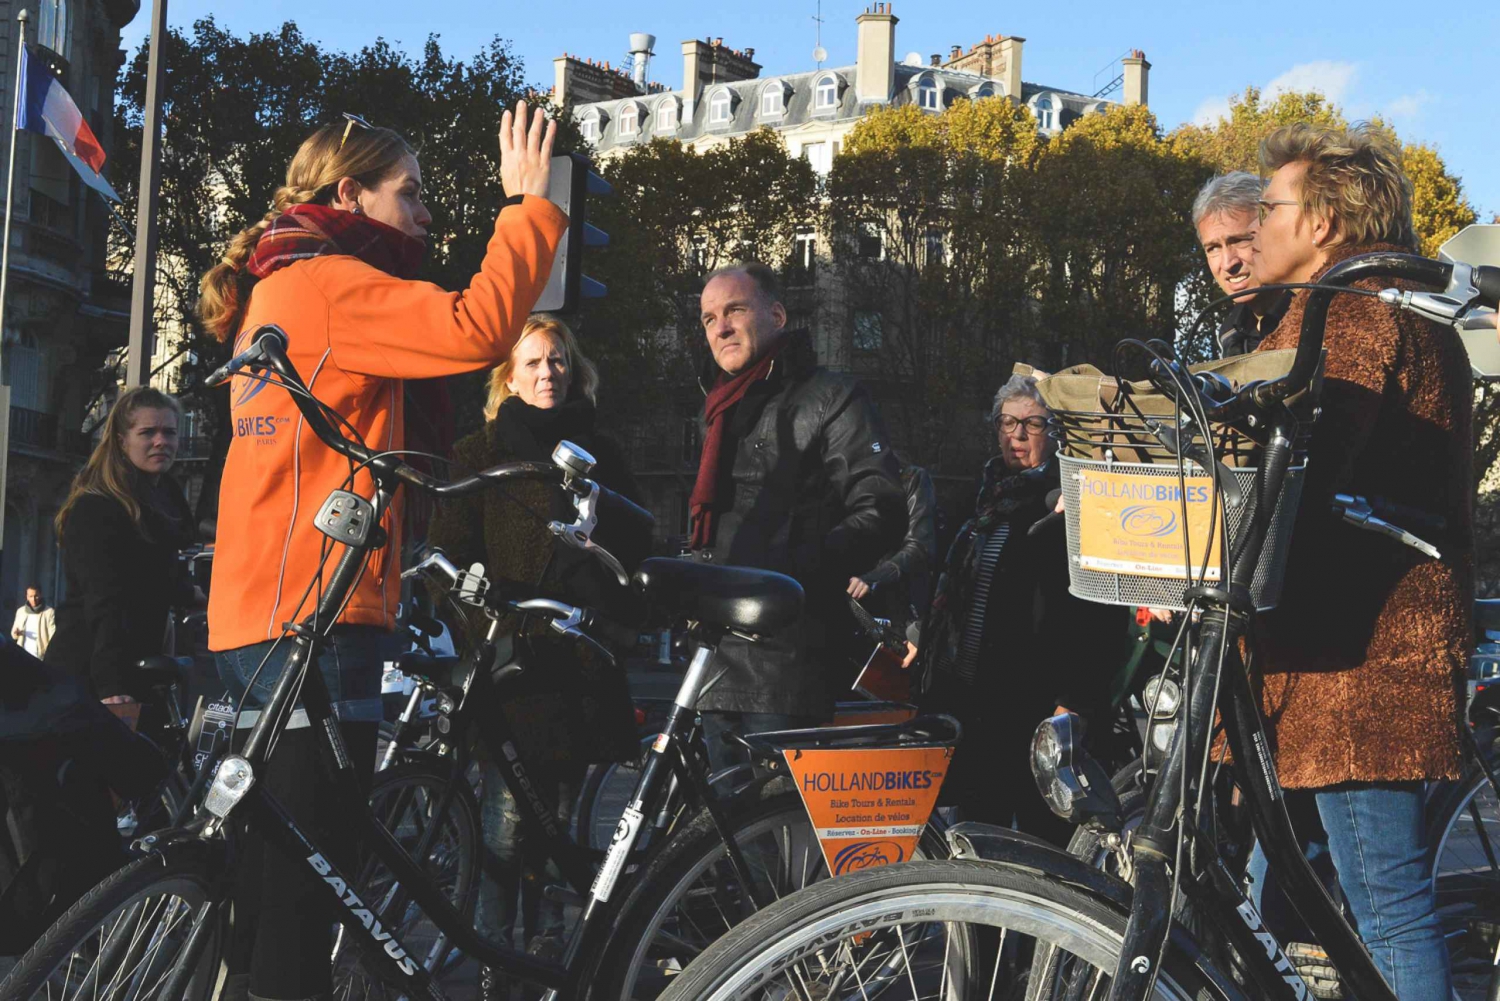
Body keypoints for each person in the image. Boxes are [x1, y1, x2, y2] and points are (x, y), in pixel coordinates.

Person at [198, 103, 565, 1001]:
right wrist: (528, 206)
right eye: (413, 194)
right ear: (349, 193)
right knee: (302, 895)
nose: (428, 214)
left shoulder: (278, 286)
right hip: (314, 614)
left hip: (265, 606)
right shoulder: (329, 281)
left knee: (270, 883)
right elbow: (478, 327)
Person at [1247, 122, 1470, 1001]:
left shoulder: (1348, 312)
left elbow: (1292, 469)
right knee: (1294, 891)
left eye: (1271, 208)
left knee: (1386, 910)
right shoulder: (1394, 309)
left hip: (1358, 668)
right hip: (1348, 655)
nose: (1257, 224)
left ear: (1327, 221)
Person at [426, 315, 640, 998]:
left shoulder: (602, 450)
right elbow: (446, 558)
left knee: (564, 827)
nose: (548, 372)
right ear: (508, 376)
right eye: (534, 362)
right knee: (505, 829)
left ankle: (548, 952)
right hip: (511, 668)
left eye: (558, 361)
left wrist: (606, 549)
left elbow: (637, 547)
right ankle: (494, 963)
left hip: (580, 663)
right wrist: (477, 618)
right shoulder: (477, 453)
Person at [690, 262, 905, 770]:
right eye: (707, 318)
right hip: (714, 651)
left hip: (787, 659)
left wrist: (792, 575)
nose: (720, 327)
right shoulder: (721, 406)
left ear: (778, 314)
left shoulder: (830, 395)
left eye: (735, 310)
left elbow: (881, 507)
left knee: (776, 832)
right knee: (720, 834)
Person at [919, 374, 1123, 845]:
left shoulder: (1069, 503)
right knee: (976, 844)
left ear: (1055, 433)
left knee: (1042, 850)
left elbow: (1099, 611)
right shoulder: (981, 500)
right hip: (977, 708)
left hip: (1037, 710)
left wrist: (1075, 701)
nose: (1017, 434)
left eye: (1033, 423)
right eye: (1007, 422)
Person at [46, 388, 195, 706]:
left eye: (169, 432)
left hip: (139, 665)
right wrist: (110, 683)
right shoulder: (97, 507)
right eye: (147, 432)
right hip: (91, 669)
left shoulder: (166, 496)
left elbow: (158, 576)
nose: (161, 442)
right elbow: (103, 599)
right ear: (121, 439)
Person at [1192, 171, 1290, 357]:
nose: (1229, 263)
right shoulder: (1230, 332)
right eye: (1213, 248)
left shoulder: (1320, 312)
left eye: (1239, 241)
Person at [847, 461, 936, 653]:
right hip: (841, 613)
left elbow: (919, 546)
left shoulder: (910, 477)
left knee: (883, 677)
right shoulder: (832, 480)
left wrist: (873, 578)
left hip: (894, 612)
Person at [11, 586, 55, 660]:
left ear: (40, 595)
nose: (33, 599)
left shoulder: (49, 612)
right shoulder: (21, 611)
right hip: (23, 655)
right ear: (27, 597)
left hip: (40, 656)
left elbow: (52, 636)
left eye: (36, 596)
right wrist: (16, 633)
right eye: (30, 596)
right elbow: (13, 634)